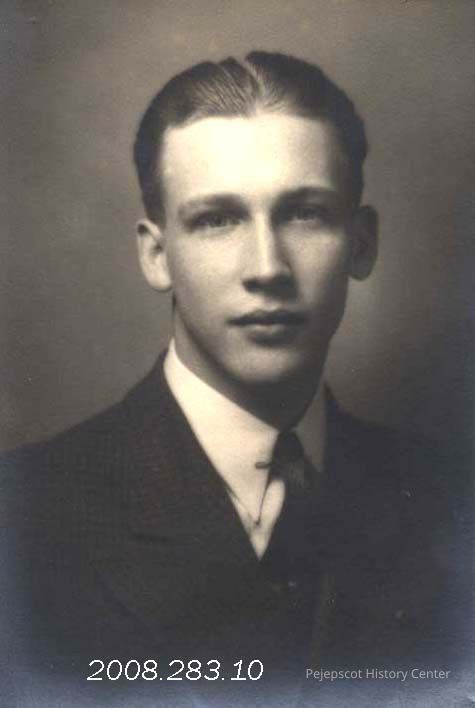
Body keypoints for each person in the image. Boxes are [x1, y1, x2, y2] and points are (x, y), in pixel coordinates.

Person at [1, 51, 465, 708]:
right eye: (216, 219)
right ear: (157, 254)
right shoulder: (20, 517)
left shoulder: (454, 502)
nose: (267, 267)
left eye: (305, 213)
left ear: (360, 243)